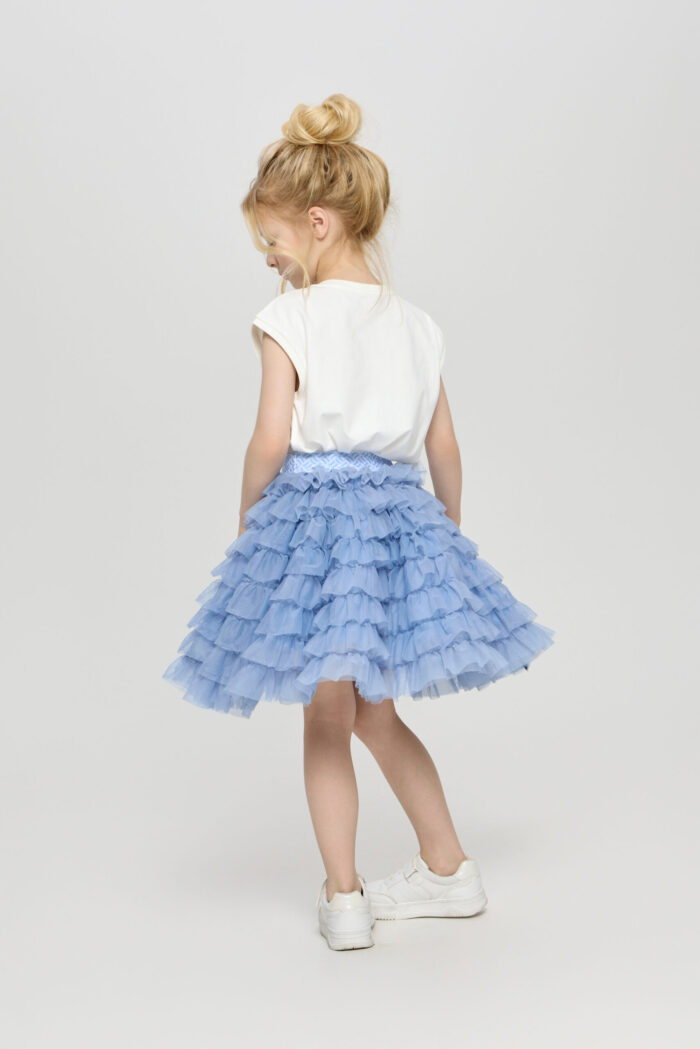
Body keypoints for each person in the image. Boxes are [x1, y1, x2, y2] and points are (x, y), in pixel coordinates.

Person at [162, 93, 555, 951]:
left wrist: (249, 529)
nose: (269, 259)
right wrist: (443, 539)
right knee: (377, 709)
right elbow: (444, 447)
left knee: (325, 715)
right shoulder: (418, 325)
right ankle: (449, 866)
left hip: (313, 527)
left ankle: (345, 898)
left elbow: (269, 441)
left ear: (318, 223)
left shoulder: (289, 318)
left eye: (272, 241)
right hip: (396, 524)